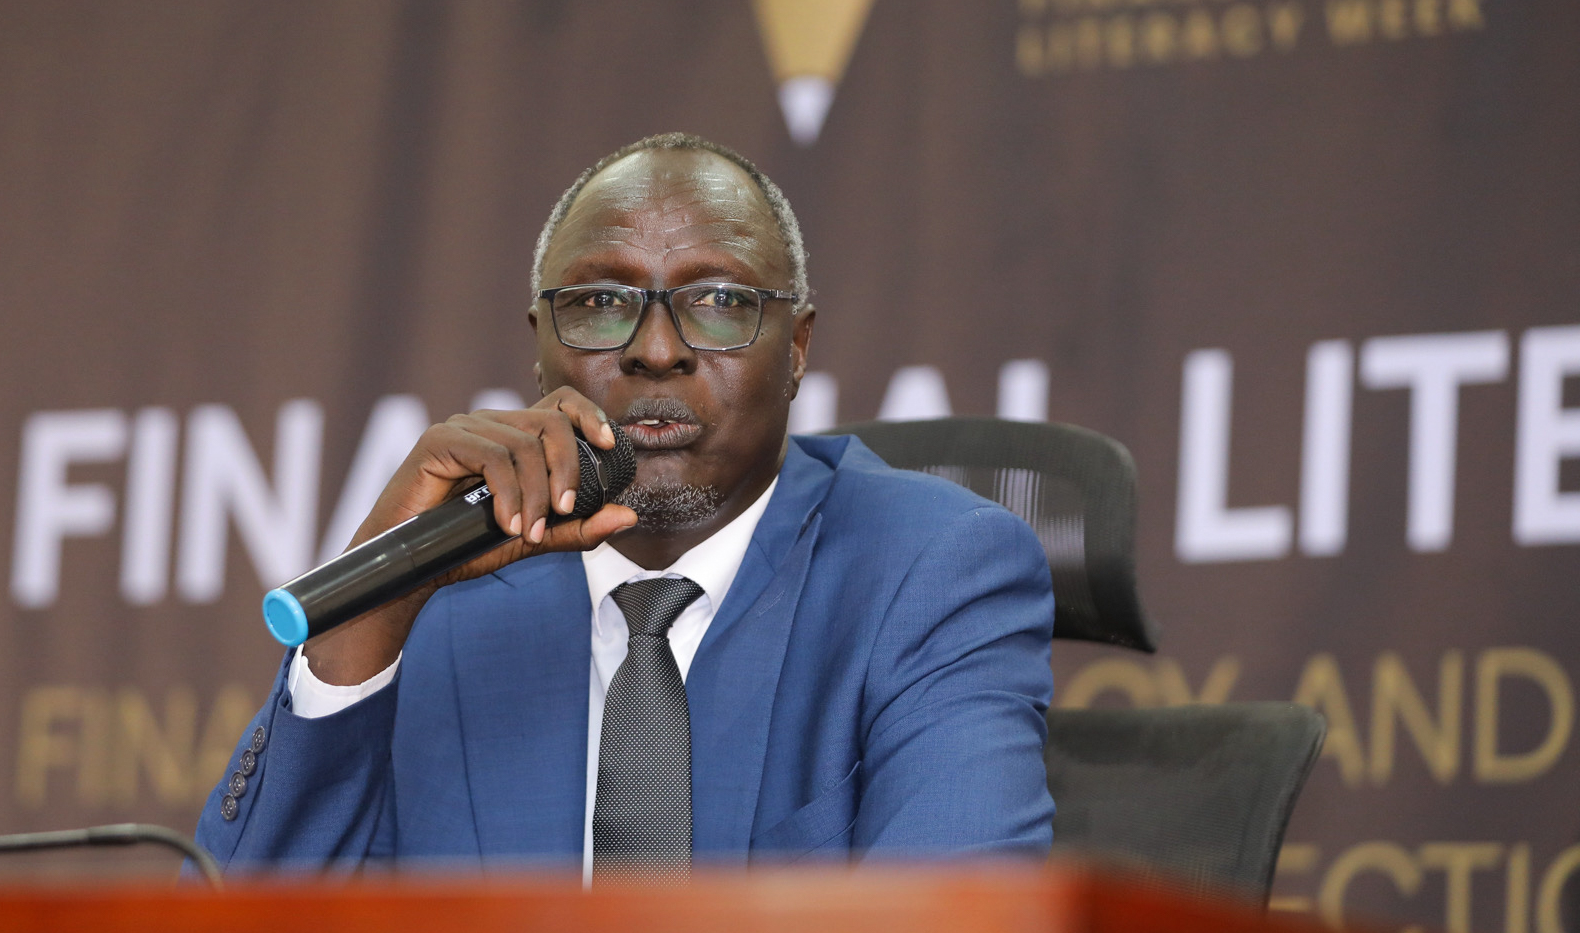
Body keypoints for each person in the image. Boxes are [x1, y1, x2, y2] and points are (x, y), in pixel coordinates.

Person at [196, 133, 1054, 876]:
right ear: (538, 350)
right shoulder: (441, 605)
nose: (656, 350)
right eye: (601, 304)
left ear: (796, 350)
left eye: (720, 302)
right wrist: (371, 612)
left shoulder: (928, 572)